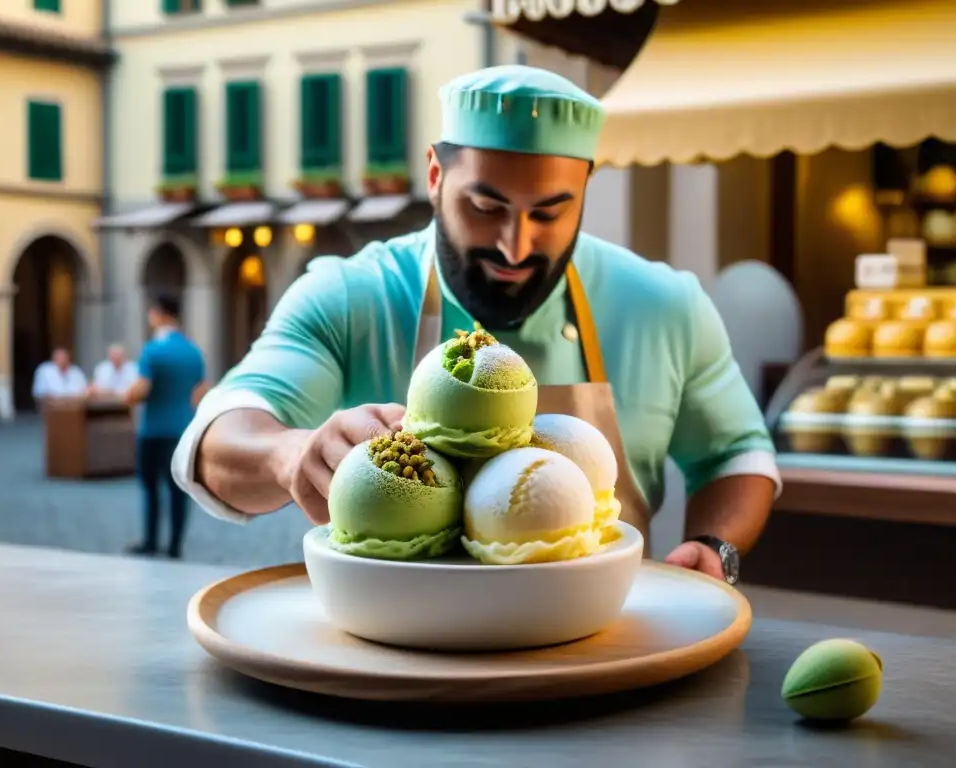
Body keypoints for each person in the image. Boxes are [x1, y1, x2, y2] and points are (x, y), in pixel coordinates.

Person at [172, 65, 780, 584]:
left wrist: (716, 546)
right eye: (485, 208)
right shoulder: (351, 294)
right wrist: (291, 453)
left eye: (550, 212)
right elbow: (214, 443)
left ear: (586, 190)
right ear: (435, 177)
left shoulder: (664, 304)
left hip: (604, 648)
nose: (516, 247)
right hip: (394, 655)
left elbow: (737, 455)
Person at [125, 294, 206, 559]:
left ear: (159, 314)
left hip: (154, 430)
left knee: (151, 487)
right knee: (179, 490)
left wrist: (128, 395)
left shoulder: (152, 350)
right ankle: (175, 545)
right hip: (182, 428)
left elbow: (141, 389)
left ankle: (151, 540)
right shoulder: (193, 351)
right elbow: (200, 393)